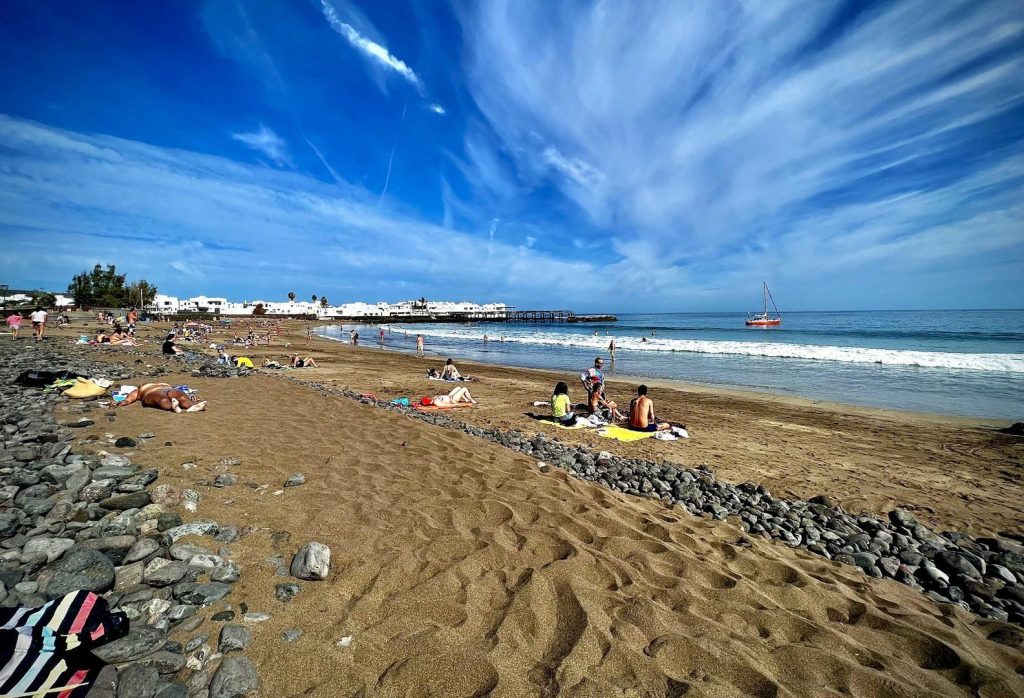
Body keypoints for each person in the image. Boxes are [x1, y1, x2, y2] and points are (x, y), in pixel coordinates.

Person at [116, 383, 206, 413]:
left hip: (167, 389)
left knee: (180, 395)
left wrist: (192, 396)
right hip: (152, 392)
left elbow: (128, 400)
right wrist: (120, 404)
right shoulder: (139, 390)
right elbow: (129, 399)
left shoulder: (145, 387)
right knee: (162, 399)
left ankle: (191, 407)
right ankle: (174, 407)